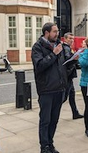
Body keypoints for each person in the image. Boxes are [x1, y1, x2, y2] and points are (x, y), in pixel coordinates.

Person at [31, 22, 68, 153]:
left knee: (54, 120)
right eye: (54, 31)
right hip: (46, 90)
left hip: (59, 89)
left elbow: (63, 66)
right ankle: (44, 147)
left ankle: (50, 143)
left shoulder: (59, 45)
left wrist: (74, 60)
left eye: (57, 31)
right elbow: (40, 65)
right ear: (46, 33)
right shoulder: (37, 47)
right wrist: (54, 54)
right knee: (45, 121)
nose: (57, 34)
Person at [62, 32, 83, 120]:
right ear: (65, 39)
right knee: (64, 97)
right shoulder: (66, 48)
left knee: (72, 95)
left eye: (72, 38)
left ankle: (75, 113)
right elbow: (68, 60)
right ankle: (52, 111)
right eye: (70, 38)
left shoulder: (68, 48)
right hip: (67, 76)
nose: (72, 40)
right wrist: (74, 58)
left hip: (69, 75)